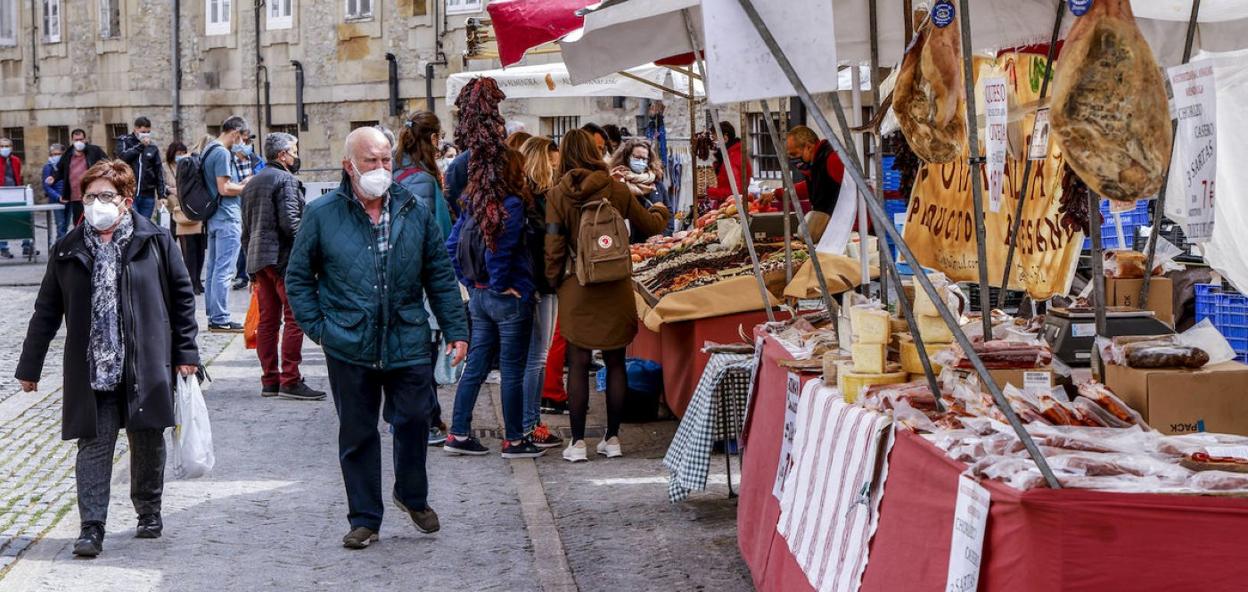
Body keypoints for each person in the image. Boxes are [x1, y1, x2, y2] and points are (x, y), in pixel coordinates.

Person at [286, 127, 469, 550]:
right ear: (349, 165)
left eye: (386, 159)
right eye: (371, 160)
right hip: (349, 341)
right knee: (358, 432)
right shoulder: (322, 214)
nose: (381, 168)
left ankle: (411, 494)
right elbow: (298, 278)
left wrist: (456, 329)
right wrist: (320, 329)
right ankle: (365, 518)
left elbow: (439, 274)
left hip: (407, 334)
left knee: (415, 418)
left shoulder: (413, 208)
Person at [16, 160, 199, 558]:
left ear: (126, 200)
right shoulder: (68, 248)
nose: (96, 203)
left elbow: (182, 298)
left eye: (105, 196)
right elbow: (46, 310)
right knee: (93, 445)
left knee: (147, 441)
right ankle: (91, 526)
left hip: (145, 363)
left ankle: (148, 512)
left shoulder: (155, 240)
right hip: (92, 369)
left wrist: (186, 352)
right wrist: (30, 367)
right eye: (89, 196)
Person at [545, 129, 669, 462]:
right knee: (616, 362)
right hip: (615, 283)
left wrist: (554, 282)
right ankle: (612, 439)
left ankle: (577, 443)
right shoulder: (616, 188)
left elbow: (553, 247)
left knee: (578, 362)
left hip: (577, 285)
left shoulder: (557, 195)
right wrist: (661, 209)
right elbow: (650, 225)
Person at [444, 148, 543, 458]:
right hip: (506, 298)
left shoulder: (473, 201)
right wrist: (500, 285)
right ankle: (514, 440)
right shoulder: (510, 204)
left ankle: (458, 433)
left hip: (480, 296)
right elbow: (497, 251)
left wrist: (470, 282)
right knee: (512, 370)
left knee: (475, 365)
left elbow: (452, 246)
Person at [240, 132, 324, 402]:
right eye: (294, 152)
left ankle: (270, 380)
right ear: (282, 155)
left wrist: (251, 269)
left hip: (259, 259)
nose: (296, 156)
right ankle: (290, 379)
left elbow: (246, 230)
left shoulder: (252, 183)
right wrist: (307, 256)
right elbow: (291, 223)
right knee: (294, 318)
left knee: (268, 321)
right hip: (282, 258)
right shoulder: (286, 179)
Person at [392, 111, 455, 445]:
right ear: (432, 139)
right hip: (419, 278)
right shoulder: (426, 180)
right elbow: (440, 236)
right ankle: (425, 421)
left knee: (403, 351)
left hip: (391, 275)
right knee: (424, 351)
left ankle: (410, 416)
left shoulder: (391, 172)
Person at [517, 136, 564, 449]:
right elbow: (543, 242)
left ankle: (530, 423)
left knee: (534, 356)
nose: (554, 169)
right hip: (539, 284)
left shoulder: (527, 195)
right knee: (537, 357)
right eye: (551, 163)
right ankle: (530, 425)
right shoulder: (536, 199)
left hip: (536, 282)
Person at [203, 116, 251, 333]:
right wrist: (246, 186)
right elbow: (224, 188)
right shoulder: (222, 152)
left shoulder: (208, 149)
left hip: (214, 216)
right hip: (227, 216)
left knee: (214, 269)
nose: (242, 143)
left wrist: (237, 185)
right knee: (224, 270)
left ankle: (214, 315)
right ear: (235, 133)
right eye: (242, 138)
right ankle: (220, 318)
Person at [785, 125, 846, 241]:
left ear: (808, 147)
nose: (792, 159)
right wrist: (777, 194)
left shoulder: (833, 159)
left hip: (845, 231)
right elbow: (817, 187)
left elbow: (855, 191)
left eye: (794, 154)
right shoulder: (815, 163)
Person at [164, 142, 206, 295]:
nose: (181, 156)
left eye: (183, 152)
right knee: (188, 249)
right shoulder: (165, 168)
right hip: (176, 211)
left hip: (192, 209)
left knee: (200, 247)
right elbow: (162, 187)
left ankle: (197, 280)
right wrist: (172, 190)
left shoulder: (190, 164)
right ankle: (191, 281)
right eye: (178, 153)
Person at [47, 128, 108, 233]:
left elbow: (107, 163)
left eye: (81, 139)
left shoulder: (94, 151)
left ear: (85, 139)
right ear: (72, 140)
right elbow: (60, 170)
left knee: (95, 223)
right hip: (76, 197)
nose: (79, 142)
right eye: (76, 140)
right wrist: (53, 178)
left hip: (93, 195)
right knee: (79, 225)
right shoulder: (68, 154)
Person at [609, 138, 670, 242]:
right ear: (627, 157)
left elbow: (669, 213)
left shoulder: (656, 184)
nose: (641, 162)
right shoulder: (617, 181)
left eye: (644, 159)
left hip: (654, 244)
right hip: (626, 242)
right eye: (637, 157)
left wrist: (664, 236)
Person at [116, 116, 168, 220]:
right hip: (129, 193)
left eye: (148, 132)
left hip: (148, 195)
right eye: (143, 132)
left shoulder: (152, 148)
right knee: (132, 222)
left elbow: (158, 172)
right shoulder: (125, 141)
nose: (146, 134)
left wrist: (162, 195)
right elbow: (123, 157)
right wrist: (141, 146)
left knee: (144, 223)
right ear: (135, 129)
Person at [231, 130, 264, 291]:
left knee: (253, 238)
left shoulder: (257, 160)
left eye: (249, 142)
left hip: (254, 203)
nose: (247, 145)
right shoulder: (229, 162)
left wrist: (253, 178)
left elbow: (263, 176)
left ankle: (255, 274)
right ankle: (241, 275)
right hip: (236, 204)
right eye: (244, 141)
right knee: (241, 239)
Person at [707, 121, 750, 208]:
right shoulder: (732, 155)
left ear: (725, 137)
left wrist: (711, 191)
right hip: (728, 205)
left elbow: (736, 191)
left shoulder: (733, 158)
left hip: (732, 206)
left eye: (715, 139)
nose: (714, 144)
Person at [0, 136, 29, 258]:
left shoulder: (16, 160)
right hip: (1, 194)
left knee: (24, 217)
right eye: (2, 146)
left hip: (16, 193)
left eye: (7, 146)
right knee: (2, 220)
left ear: (11, 147)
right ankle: (3, 248)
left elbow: (18, 176)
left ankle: (27, 246)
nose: (4, 148)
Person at [42, 144, 68, 240]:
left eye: (58, 154)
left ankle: (62, 244)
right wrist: (58, 197)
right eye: (53, 154)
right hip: (56, 200)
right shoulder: (48, 167)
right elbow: (46, 187)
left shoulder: (67, 166)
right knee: (60, 225)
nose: (56, 156)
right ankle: (60, 246)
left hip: (68, 199)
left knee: (66, 225)